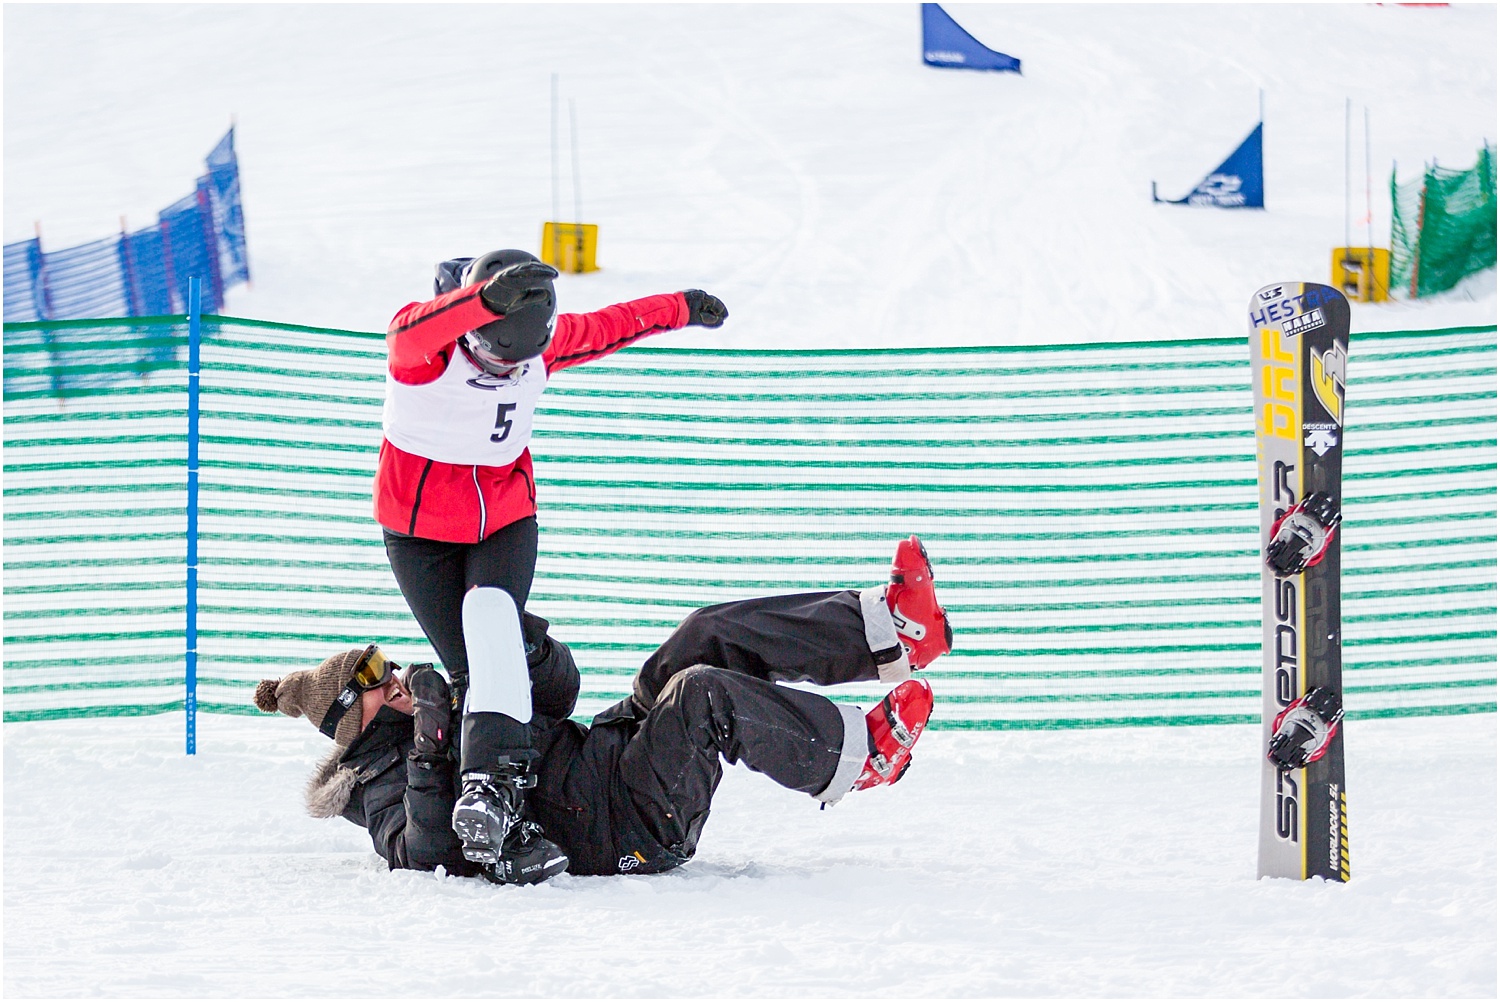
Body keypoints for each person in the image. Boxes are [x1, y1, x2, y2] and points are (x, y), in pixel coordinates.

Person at [255, 536, 954, 883]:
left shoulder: (460, 699)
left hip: (609, 754)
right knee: (702, 692)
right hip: (621, 823)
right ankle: (857, 757)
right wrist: (432, 751)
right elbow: (426, 854)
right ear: (357, 717)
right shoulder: (376, 783)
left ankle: (889, 630)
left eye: (383, 662)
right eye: (374, 677)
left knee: (699, 635)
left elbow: (560, 695)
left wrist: (516, 642)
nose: (395, 675)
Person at [376, 249, 728, 865]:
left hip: (505, 518)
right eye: (494, 355)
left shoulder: (542, 346)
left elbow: (611, 326)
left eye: (521, 359)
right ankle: (503, 826)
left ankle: (491, 794)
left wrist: (680, 308)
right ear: (469, 327)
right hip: (419, 530)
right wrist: (485, 301)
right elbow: (412, 327)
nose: (509, 370)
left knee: (494, 631)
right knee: (468, 667)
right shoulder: (422, 355)